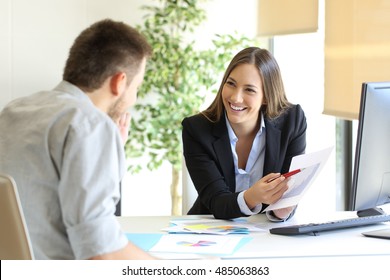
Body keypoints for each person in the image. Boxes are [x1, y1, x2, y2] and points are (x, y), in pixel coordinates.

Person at [0, 19, 155, 260]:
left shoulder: (15, 110)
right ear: (119, 82)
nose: (134, 98)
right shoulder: (89, 124)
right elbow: (102, 254)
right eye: (137, 87)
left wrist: (109, 154)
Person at [182, 47, 307, 221]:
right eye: (231, 84)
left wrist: (281, 210)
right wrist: (252, 197)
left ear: (266, 97)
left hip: (265, 230)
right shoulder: (196, 129)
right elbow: (216, 200)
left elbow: (289, 191)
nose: (236, 98)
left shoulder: (292, 121)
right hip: (212, 227)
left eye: (249, 90)